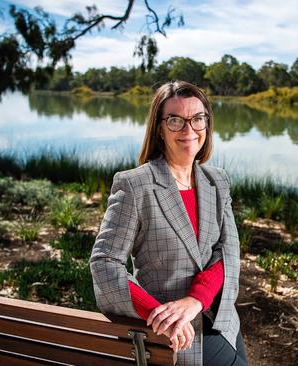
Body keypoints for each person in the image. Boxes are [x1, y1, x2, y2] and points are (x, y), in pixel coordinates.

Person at [90, 81, 247, 366]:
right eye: (175, 120)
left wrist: (197, 300)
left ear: (207, 124)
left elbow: (228, 249)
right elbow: (104, 262)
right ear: (159, 129)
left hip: (223, 323)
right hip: (172, 338)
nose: (189, 130)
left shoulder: (217, 181)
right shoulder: (135, 185)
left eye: (198, 119)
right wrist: (159, 314)